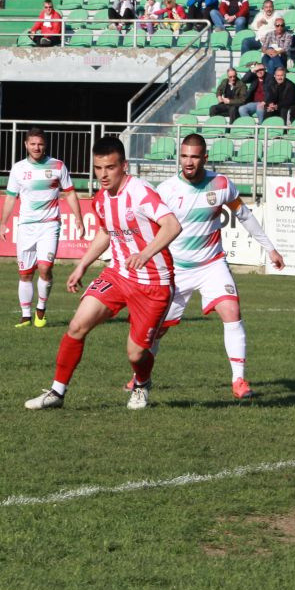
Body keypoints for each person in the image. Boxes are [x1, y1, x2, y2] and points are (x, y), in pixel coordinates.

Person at [24, 135, 180, 411]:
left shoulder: (141, 192)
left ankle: (142, 384)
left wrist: (145, 254)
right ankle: (57, 393)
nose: (103, 175)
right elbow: (106, 234)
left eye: (110, 167)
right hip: (118, 275)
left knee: (136, 353)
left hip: (154, 283)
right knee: (77, 325)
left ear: (124, 166)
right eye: (98, 168)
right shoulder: (101, 199)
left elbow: (172, 226)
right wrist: (82, 264)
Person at [145, 134, 285, 399]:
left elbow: (245, 216)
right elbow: (151, 229)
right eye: (184, 156)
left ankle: (239, 381)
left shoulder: (220, 184)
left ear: (204, 158)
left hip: (212, 264)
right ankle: (140, 378)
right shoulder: (165, 190)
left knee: (232, 311)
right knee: (157, 328)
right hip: (176, 270)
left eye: (194, 157)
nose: (188, 162)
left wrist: (270, 248)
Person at [0, 129, 85, 328]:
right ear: (26, 145)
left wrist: (78, 219)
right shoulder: (18, 169)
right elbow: (11, 197)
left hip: (49, 224)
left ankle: (41, 310)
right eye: (33, 144)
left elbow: (70, 194)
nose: (37, 147)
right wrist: (3, 222)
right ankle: (26, 316)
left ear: (45, 145)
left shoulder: (57, 166)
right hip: (26, 226)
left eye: (40, 144)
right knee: (25, 274)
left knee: (45, 268)